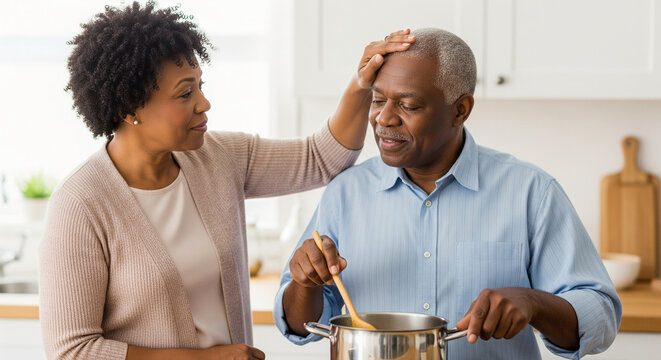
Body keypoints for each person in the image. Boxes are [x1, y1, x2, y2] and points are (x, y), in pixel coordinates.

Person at [38, 1, 415, 359]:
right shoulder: (81, 204)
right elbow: (74, 350)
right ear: (129, 108)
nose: (204, 103)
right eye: (185, 93)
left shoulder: (218, 157)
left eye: (200, 85)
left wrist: (362, 83)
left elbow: (321, 159)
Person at [275, 28, 621, 360]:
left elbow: (600, 314)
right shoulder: (345, 194)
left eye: (408, 106)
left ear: (460, 110)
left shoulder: (531, 192)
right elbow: (298, 325)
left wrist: (533, 303)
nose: (384, 118)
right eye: (378, 100)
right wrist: (305, 283)